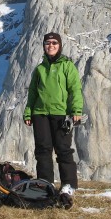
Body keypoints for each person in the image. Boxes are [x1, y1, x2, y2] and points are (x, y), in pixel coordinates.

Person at [23, 32, 83, 207]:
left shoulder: (67, 66)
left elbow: (75, 89)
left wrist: (76, 110)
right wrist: (28, 113)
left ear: (60, 46)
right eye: (47, 43)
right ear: (44, 46)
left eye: (54, 43)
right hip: (40, 113)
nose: (51, 46)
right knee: (42, 150)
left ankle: (68, 185)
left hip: (61, 113)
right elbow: (32, 93)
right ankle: (44, 184)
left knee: (63, 149)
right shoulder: (39, 69)